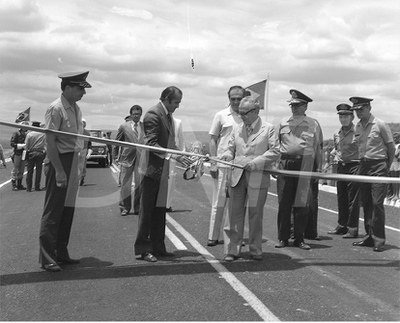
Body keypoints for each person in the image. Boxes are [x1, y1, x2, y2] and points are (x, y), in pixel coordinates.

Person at [39, 71, 92, 272]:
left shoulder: (76, 109)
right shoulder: (56, 109)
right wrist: (59, 171)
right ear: (68, 87)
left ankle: (61, 252)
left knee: (67, 209)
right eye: (80, 88)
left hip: (73, 161)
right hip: (59, 161)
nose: (83, 93)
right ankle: (47, 257)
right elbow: (50, 142)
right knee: (53, 210)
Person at [134, 86, 191, 262]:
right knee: (147, 212)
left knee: (159, 210)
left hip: (162, 170)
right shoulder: (153, 114)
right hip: (150, 171)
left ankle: (158, 246)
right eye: (176, 102)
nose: (178, 106)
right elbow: (151, 143)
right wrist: (172, 155)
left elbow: (168, 143)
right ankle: (144, 249)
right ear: (166, 98)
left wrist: (181, 157)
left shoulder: (166, 115)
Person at [220, 96, 279, 261]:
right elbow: (230, 148)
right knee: (233, 214)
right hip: (237, 176)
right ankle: (231, 250)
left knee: (255, 214)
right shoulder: (236, 128)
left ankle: (255, 249)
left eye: (245, 113)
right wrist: (225, 155)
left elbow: (275, 151)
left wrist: (257, 162)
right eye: (240, 113)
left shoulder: (269, 129)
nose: (242, 116)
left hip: (257, 176)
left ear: (256, 111)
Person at [275, 89, 323, 250]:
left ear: (305, 106)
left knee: (302, 204)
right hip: (286, 164)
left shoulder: (313, 124)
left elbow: (318, 148)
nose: (294, 108)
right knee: (284, 202)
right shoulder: (282, 122)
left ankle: (299, 238)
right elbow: (276, 146)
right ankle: (282, 237)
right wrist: (275, 165)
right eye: (292, 105)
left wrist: (319, 169)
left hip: (305, 164)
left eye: (297, 105)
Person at [350, 97, 395, 252]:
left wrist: (386, 166)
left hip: (378, 165)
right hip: (364, 165)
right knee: (367, 202)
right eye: (356, 110)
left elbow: (391, 147)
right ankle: (369, 236)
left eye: (361, 109)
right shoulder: (358, 126)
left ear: (369, 108)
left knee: (377, 203)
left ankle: (379, 239)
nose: (358, 112)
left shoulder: (380, 124)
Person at [207, 85, 244, 247]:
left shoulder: (248, 116)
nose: (236, 101)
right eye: (233, 98)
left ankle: (235, 238)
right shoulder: (221, 115)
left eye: (239, 98)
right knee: (219, 202)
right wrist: (214, 162)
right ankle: (213, 236)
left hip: (241, 166)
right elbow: (213, 139)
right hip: (223, 164)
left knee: (238, 205)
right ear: (228, 98)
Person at [327, 104, 361, 238]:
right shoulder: (337, 133)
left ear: (352, 116)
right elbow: (337, 148)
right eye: (341, 116)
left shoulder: (358, 131)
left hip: (354, 165)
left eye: (346, 116)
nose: (343, 119)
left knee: (353, 199)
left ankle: (352, 229)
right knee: (341, 197)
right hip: (341, 166)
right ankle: (342, 226)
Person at [113, 105, 144, 216]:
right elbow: (117, 142)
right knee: (125, 185)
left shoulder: (144, 126)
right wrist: (115, 156)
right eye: (135, 114)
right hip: (127, 159)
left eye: (139, 114)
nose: (137, 116)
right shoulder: (123, 126)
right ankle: (124, 207)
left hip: (140, 159)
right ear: (131, 114)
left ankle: (137, 208)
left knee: (139, 185)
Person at [166, 117, 185, 212]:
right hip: (160, 156)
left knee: (170, 181)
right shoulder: (159, 120)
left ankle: (167, 205)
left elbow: (180, 139)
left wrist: (183, 155)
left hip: (173, 157)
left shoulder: (178, 122)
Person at [24, 121, 46, 192]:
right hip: (40, 152)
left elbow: (26, 146)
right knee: (38, 171)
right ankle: (37, 186)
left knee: (29, 171)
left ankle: (29, 187)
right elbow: (45, 144)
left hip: (31, 152)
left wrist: (27, 151)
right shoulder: (43, 134)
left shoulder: (29, 134)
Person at [10, 121, 29, 191]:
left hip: (24, 153)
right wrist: (20, 146)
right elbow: (12, 143)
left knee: (22, 169)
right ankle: (14, 184)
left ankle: (19, 184)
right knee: (15, 169)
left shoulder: (26, 134)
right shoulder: (16, 133)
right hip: (17, 153)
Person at [78, 118, 92, 186]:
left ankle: (81, 179)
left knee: (82, 167)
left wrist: (89, 153)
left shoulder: (87, 133)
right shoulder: (75, 132)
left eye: (83, 123)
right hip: (76, 151)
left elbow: (90, 145)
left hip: (84, 150)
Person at [387, 132, 400, 202]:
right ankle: (394, 194)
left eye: (396, 138)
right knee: (392, 180)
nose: (394, 139)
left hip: (397, 163)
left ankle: (397, 195)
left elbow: (396, 154)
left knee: (396, 180)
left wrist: (393, 153)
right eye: (394, 138)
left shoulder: (399, 145)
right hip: (392, 163)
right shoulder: (393, 145)